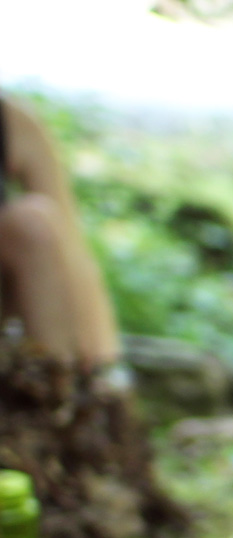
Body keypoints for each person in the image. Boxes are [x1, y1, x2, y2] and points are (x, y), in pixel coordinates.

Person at [0, 94, 119, 368]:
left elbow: (73, 251)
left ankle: (67, 392)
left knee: (33, 221)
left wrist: (102, 367)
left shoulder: (13, 122)